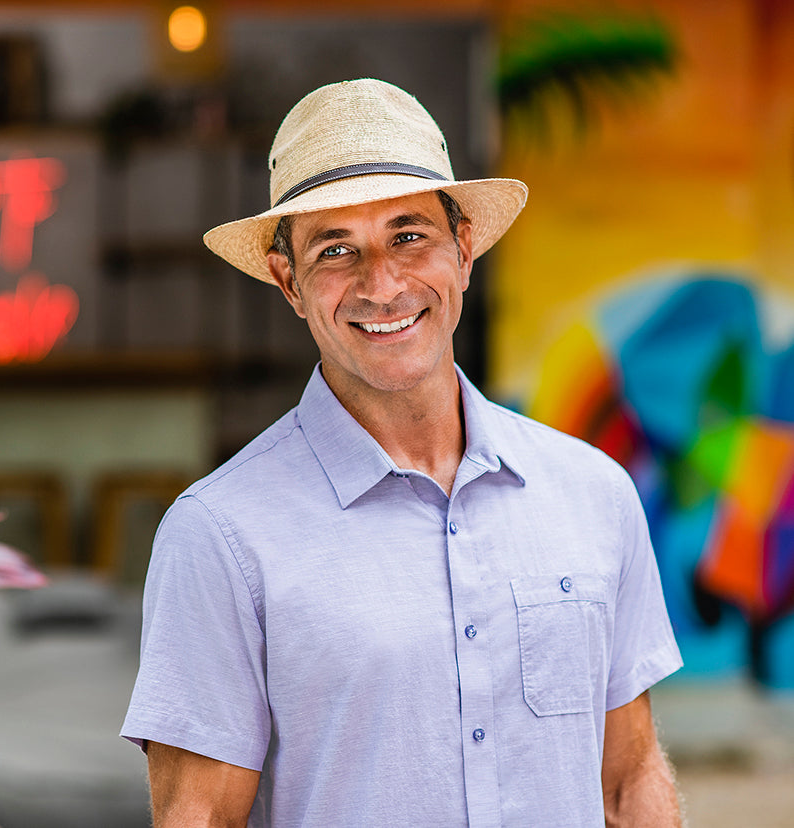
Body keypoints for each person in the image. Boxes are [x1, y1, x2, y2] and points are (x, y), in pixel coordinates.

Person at [122, 78, 683, 827]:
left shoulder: (594, 494)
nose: (381, 284)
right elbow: (201, 819)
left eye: (408, 235)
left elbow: (628, 781)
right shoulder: (221, 537)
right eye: (335, 249)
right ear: (289, 282)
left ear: (464, 248)